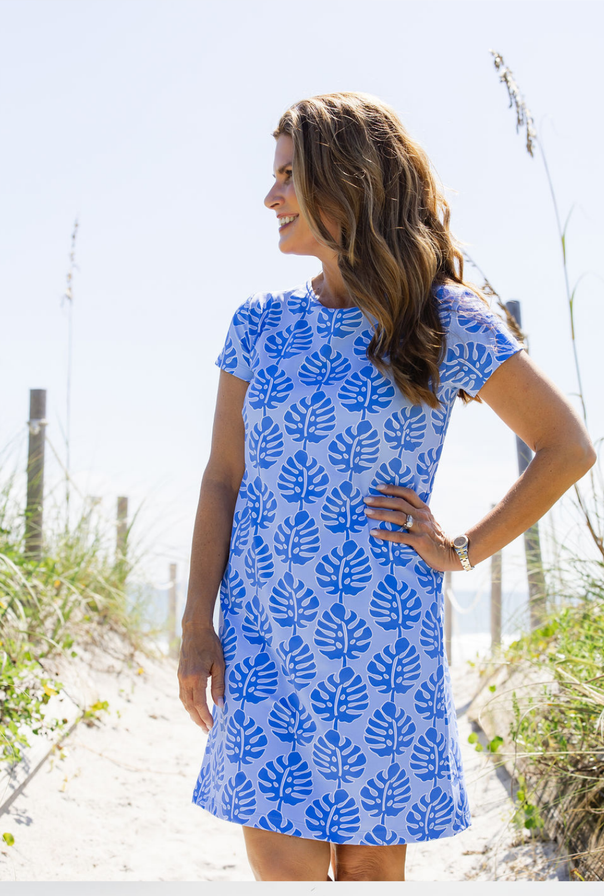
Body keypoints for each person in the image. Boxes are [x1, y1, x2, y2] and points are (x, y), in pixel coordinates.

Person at [178, 92, 596, 882]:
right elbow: (222, 479)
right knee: (282, 866)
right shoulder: (259, 324)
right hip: (263, 639)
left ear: (348, 182)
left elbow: (567, 447)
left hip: (380, 644)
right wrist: (198, 625)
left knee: (370, 873)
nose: (270, 196)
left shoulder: (440, 317)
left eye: (289, 177)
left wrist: (462, 547)